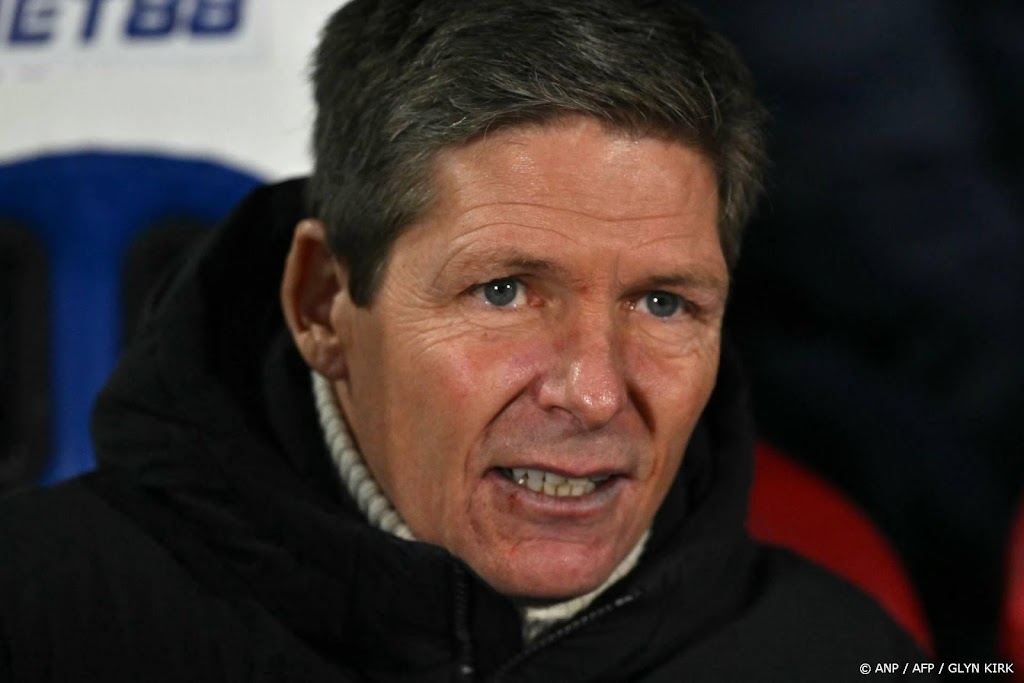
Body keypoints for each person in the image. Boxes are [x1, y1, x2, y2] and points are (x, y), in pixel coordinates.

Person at [0, 0, 930, 680]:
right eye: (505, 291)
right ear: (323, 302)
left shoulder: (846, 654)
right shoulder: (38, 620)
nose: (594, 392)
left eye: (661, 303)